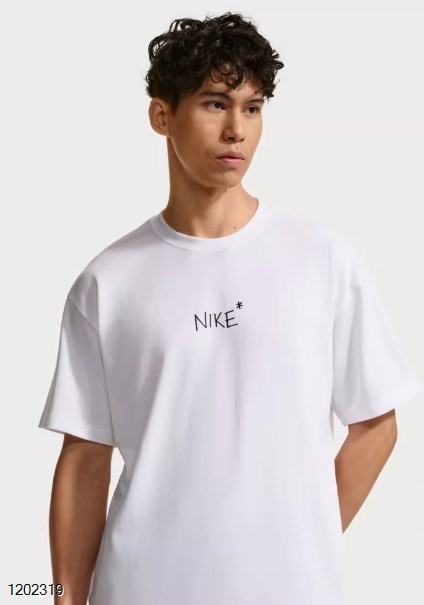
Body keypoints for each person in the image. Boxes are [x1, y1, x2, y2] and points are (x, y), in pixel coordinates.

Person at [38, 11, 422, 605]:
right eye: (215, 104)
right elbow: (86, 456)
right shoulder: (106, 282)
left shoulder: (322, 259)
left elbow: (375, 423)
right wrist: (62, 599)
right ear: (161, 115)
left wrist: (305, 542)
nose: (237, 130)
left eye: (253, 107)